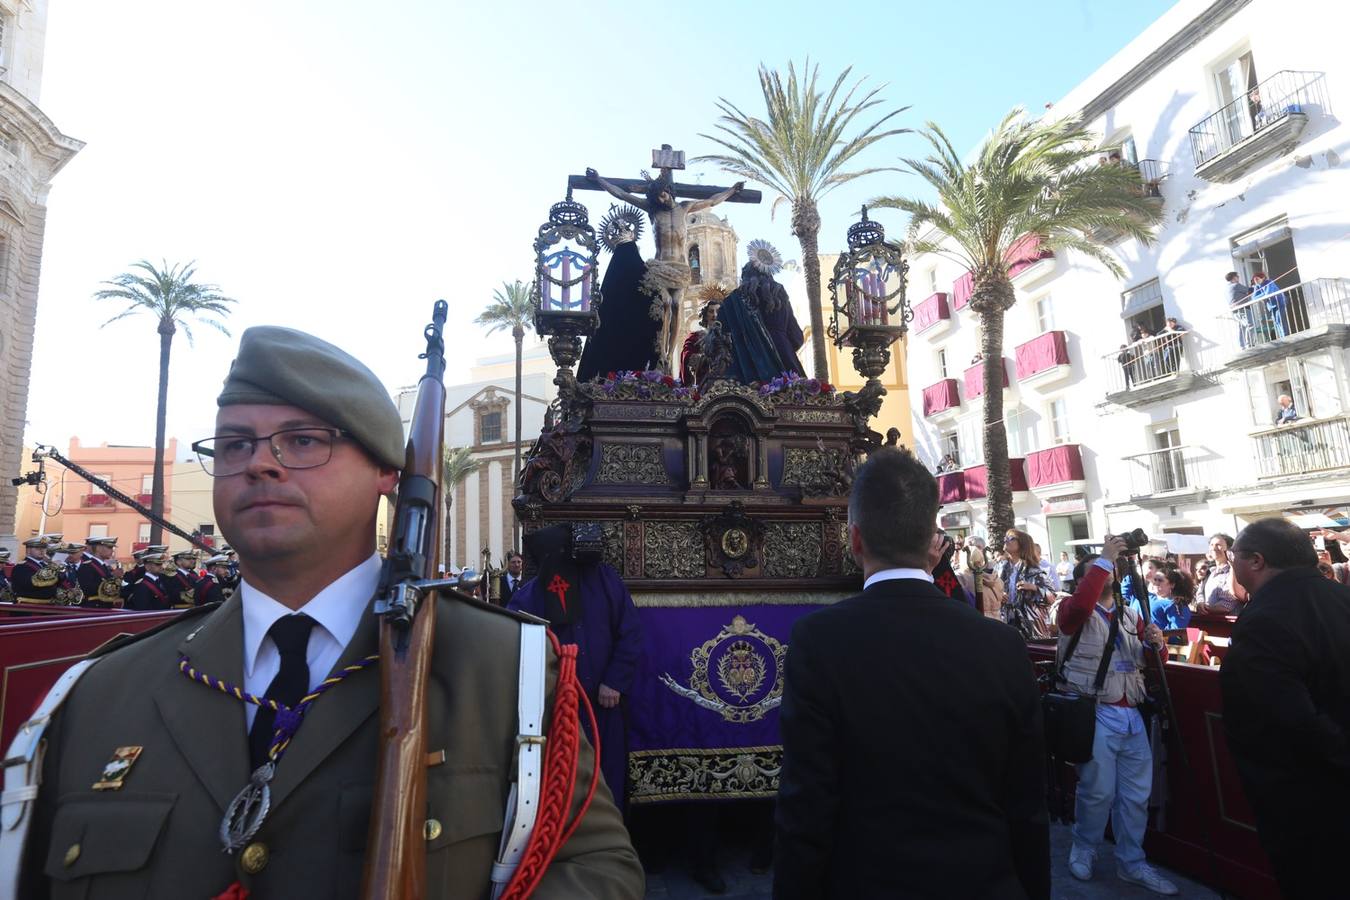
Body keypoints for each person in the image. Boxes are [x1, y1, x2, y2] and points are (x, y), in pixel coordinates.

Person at [15, 325, 643, 899]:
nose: (259, 462)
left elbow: (595, 869)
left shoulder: (508, 669)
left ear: (385, 472)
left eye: (303, 441)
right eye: (235, 445)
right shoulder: (98, 694)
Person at [774, 448, 1050, 900]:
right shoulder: (1001, 647)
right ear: (931, 543)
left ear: (855, 540)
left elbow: (805, 810)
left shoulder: (818, 642)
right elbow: (1027, 807)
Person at [1220, 518, 1350, 899]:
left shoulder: (1263, 620)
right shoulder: (1342, 598)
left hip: (1308, 799)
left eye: (1234, 557)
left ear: (1256, 561)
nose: (1232, 565)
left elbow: (1290, 720)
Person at [1056, 536, 1178, 895]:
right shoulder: (1071, 609)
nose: (1106, 573)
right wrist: (1105, 558)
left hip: (1130, 712)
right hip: (1095, 711)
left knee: (1136, 795)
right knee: (1096, 792)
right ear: (1086, 579)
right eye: (1095, 571)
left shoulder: (1130, 614)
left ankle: (1132, 861)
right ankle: (1085, 846)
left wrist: (1158, 645)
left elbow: (1151, 662)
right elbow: (1079, 609)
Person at [508, 525, 643, 815]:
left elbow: (630, 633)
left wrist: (615, 681)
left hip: (604, 704)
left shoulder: (605, 580)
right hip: (557, 709)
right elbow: (516, 642)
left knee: (607, 778)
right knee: (562, 783)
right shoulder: (530, 594)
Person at [577, 205, 662, 382]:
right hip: (642, 372)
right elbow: (657, 318)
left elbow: (600, 331)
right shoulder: (647, 277)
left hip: (607, 376)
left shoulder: (610, 285)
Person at [716, 257, 806, 383]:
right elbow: (796, 337)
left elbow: (720, 339)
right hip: (784, 359)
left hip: (745, 364)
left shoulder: (732, 301)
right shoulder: (779, 294)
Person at [997, 529, 1055, 640]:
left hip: (1030, 627)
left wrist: (1034, 588)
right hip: (1004, 622)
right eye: (1005, 538)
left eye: (1011, 538)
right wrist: (999, 594)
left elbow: (1052, 597)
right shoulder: (1000, 567)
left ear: (1023, 544)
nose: (1006, 540)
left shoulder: (1034, 570)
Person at [76, 536, 124, 607]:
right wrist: (113, 577)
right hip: (94, 607)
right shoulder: (87, 566)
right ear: (98, 548)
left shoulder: (103, 566)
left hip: (105, 606)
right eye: (109, 547)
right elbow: (88, 589)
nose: (112, 551)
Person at [1200, 533, 1241, 613]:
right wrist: (1200, 603)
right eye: (1211, 545)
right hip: (1207, 620)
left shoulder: (1233, 572)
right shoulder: (1210, 572)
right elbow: (1200, 591)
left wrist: (1207, 609)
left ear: (1229, 549)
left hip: (1226, 623)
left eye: (1218, 545)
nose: (1214, 548)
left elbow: (1229, 603)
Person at [10, 536, 60, 602]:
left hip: (48, 603)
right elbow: (34, 582)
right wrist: (52, 567)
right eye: (37, 548)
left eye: (44, 548)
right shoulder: (21, 567)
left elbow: (59, 581)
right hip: (28, 605)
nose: (42, 550)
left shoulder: (45, 565)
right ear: (28, 550)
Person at [1227, 271, 1253, 349]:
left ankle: (1242, 346)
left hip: (1235, 311)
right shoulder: (1236, 285)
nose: (1238, 278)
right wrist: (1255, 286)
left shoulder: (1227, 288)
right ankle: (1250, 345)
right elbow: (1250, 290)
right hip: (1243, 309)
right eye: (1237, 276)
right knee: (1250, 325)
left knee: (1241, 328)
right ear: (1234, 278)